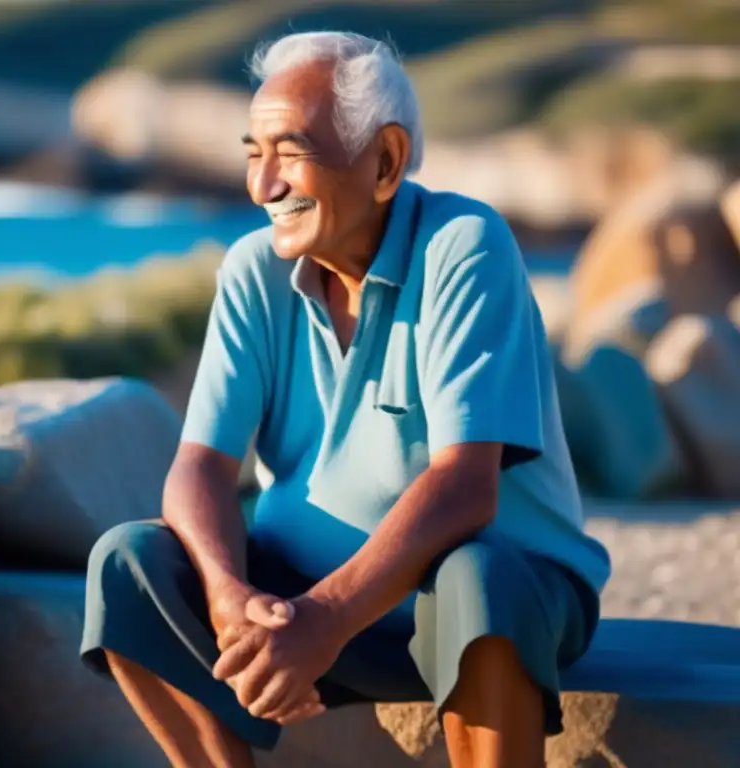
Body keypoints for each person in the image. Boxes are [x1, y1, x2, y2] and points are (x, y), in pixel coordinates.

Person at [80, 30, 611, 768]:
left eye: (290, 154)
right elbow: (199, 465)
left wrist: (323, 621)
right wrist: (234, 599)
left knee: (476, 576)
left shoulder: (464, 244)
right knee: (128, 560)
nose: (264, 187)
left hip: (498, 608)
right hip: (302, 609)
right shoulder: (253, 272)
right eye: (252, 155)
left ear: (386, 162)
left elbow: (466, 489)